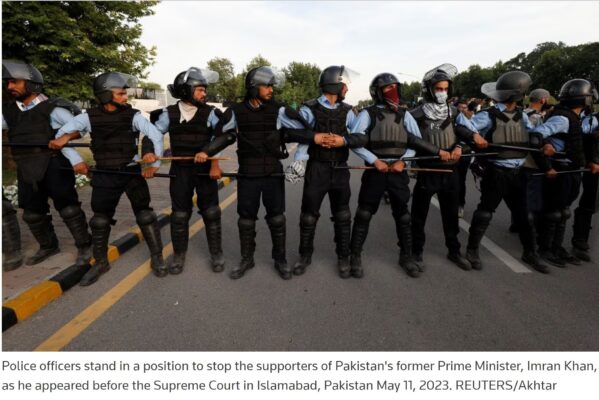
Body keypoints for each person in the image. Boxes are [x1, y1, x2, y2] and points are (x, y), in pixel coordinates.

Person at [50, 72, 166, 285]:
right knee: (99, 220)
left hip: (131, 172)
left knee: (145, 215)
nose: (125, 98)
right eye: (120, 94)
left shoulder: (135, 115)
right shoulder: (87, 117)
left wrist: (154, 164)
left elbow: (155, 135)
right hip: (105, 174)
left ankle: (158, 257)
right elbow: (60, 137)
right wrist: (76, 160)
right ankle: (101, 262)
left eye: (125, 93)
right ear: (105, 95)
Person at [199, 66, 312, 280]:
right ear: (253, 87)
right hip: (248, 174)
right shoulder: (236, 111)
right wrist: (207, 154)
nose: (271, 89)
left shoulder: (279, 110)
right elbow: (221, 135)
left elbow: (305, 132)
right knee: (246, 220)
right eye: (266, 85)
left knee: (277, 219)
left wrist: (297, 156)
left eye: (272, 85)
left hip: (272, 173)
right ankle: (246, 259)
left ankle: (280, 259)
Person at [348, 73, 451, 278]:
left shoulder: (406, 115)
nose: (392, 91)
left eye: (395, 87)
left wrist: (404, 161)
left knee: (403, 215)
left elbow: (415, 142)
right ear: (377, 92)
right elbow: (356, 142)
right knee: (364, 213)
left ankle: (406, 256)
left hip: (398, 171)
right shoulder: (367, 114)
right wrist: (373, 160)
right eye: (387, 88)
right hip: (375, 170)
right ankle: (355, 256)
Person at [455, 71, 549, 273]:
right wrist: (474, 136)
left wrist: (544, 143)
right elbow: (461, 125)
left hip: (519, 173)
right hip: (496, 172)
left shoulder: (523, 115)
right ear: (518, 94)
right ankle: (472, 251)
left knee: (524, 215)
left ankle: (530, 252)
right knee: (485, 213)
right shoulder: (488, 115)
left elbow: (533, 133)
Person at [2, 60, 91, 267]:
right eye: (8, 83)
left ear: (31, 83)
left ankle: (85, 246)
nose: (9, 87)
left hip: (54, 165)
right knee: (32, 214)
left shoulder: (53, 108)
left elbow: (80, 128)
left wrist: (75, 158)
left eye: (15, 82)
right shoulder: (9, 111)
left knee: (68, 209)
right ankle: (49, 245)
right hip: (26, 168)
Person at [288, 65, 364, 279]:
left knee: (342, 215)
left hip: (340, 168)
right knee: (308, 215)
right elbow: (295, 133)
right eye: (344, 84)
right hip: (317, 168)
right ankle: (304, 256)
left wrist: (344, 140)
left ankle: (343, 257)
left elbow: (360, 137)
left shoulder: (348, 111)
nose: (347, 88)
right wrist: (299, 162)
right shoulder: (309, 108)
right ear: (335, 84)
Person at [150, 67, 224, 275]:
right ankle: (179, 255)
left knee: (211, 212)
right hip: (180, 170)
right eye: (200, 89)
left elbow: (219, 139)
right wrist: (151, 157)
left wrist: (215, 165)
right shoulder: (168, 114)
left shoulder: (211, 113)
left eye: (204, 90)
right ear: (186, 90)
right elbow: (153, 135)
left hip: (205, 169)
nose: (204, 94)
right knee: (180, 215)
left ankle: (216, 253)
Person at [409, 64, 471, 271]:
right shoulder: (415, 113)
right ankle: (416, 252)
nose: (442, 92)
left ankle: (454, 251)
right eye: (438, 88)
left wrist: (460, 147)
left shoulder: (454, 112)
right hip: (428, 171)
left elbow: (464, 132)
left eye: (445, 88)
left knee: (451, 215)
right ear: (429, 89)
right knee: (419, 216)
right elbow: (410, 138)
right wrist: (437, 151)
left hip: (451, 171)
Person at [531, 79, 597, 267]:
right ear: (583, 98)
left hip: (572, 171)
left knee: (563, 211)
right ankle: (545, 248)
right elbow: (535, 137)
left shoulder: (575, 118)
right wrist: (546, 163)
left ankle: (556, 246)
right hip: (559, 171)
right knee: (553, 212)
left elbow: (578, 141)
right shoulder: (562, 118)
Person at [571, 108, 599, 261]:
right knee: (589, 203)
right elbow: (583, 139)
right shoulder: (592, 120)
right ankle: (580, 242)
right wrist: (593, 160)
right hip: (595, 168)